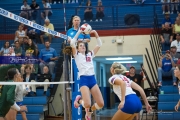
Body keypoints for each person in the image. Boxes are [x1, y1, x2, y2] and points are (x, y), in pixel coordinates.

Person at [64, 29, 104, 120]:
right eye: (80, 45)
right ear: (77, 48)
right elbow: (73, 42)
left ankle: (89, 111)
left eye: (83, 45)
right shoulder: (77, 55)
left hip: (92, 79)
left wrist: (95, 33)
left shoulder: (90, 54)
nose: (83, 46)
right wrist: (79, 31)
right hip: (84, 80)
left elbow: (99, 44)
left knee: (101, 104)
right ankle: (78, 100)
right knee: (87, 103)